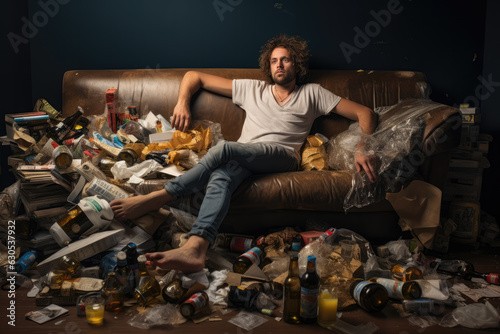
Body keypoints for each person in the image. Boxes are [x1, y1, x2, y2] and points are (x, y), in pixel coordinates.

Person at [110, 34, 377, 273]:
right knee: (222, 176)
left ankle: (162, 195)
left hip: (281, 157)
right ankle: (196, 248)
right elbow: (194, 76)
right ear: (268, 66)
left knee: (225, 149)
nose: (279, 65)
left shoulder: (312, 93)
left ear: (297, 65)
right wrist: (183, 102)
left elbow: (365, 113)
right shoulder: (252, 89)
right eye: (274, 61)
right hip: (244, 157)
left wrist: (362, 148)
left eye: (285, 60)